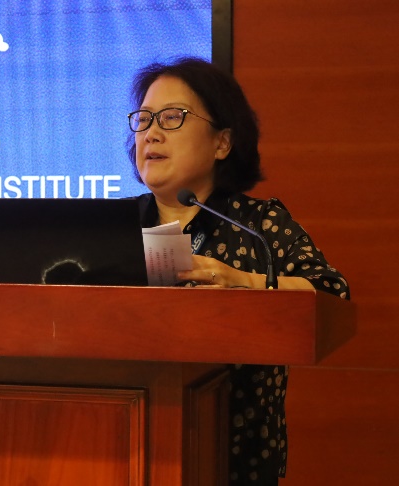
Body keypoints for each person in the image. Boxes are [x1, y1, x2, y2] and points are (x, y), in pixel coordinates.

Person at [126, 57, 350, 485]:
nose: (151, 133)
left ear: (222, 143)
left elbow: (332, 295)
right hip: (127, 447)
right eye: (144, 119)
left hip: (235, 460)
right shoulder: (114, 225)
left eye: (172, 117)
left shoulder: (258, 227)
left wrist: (245, 283)